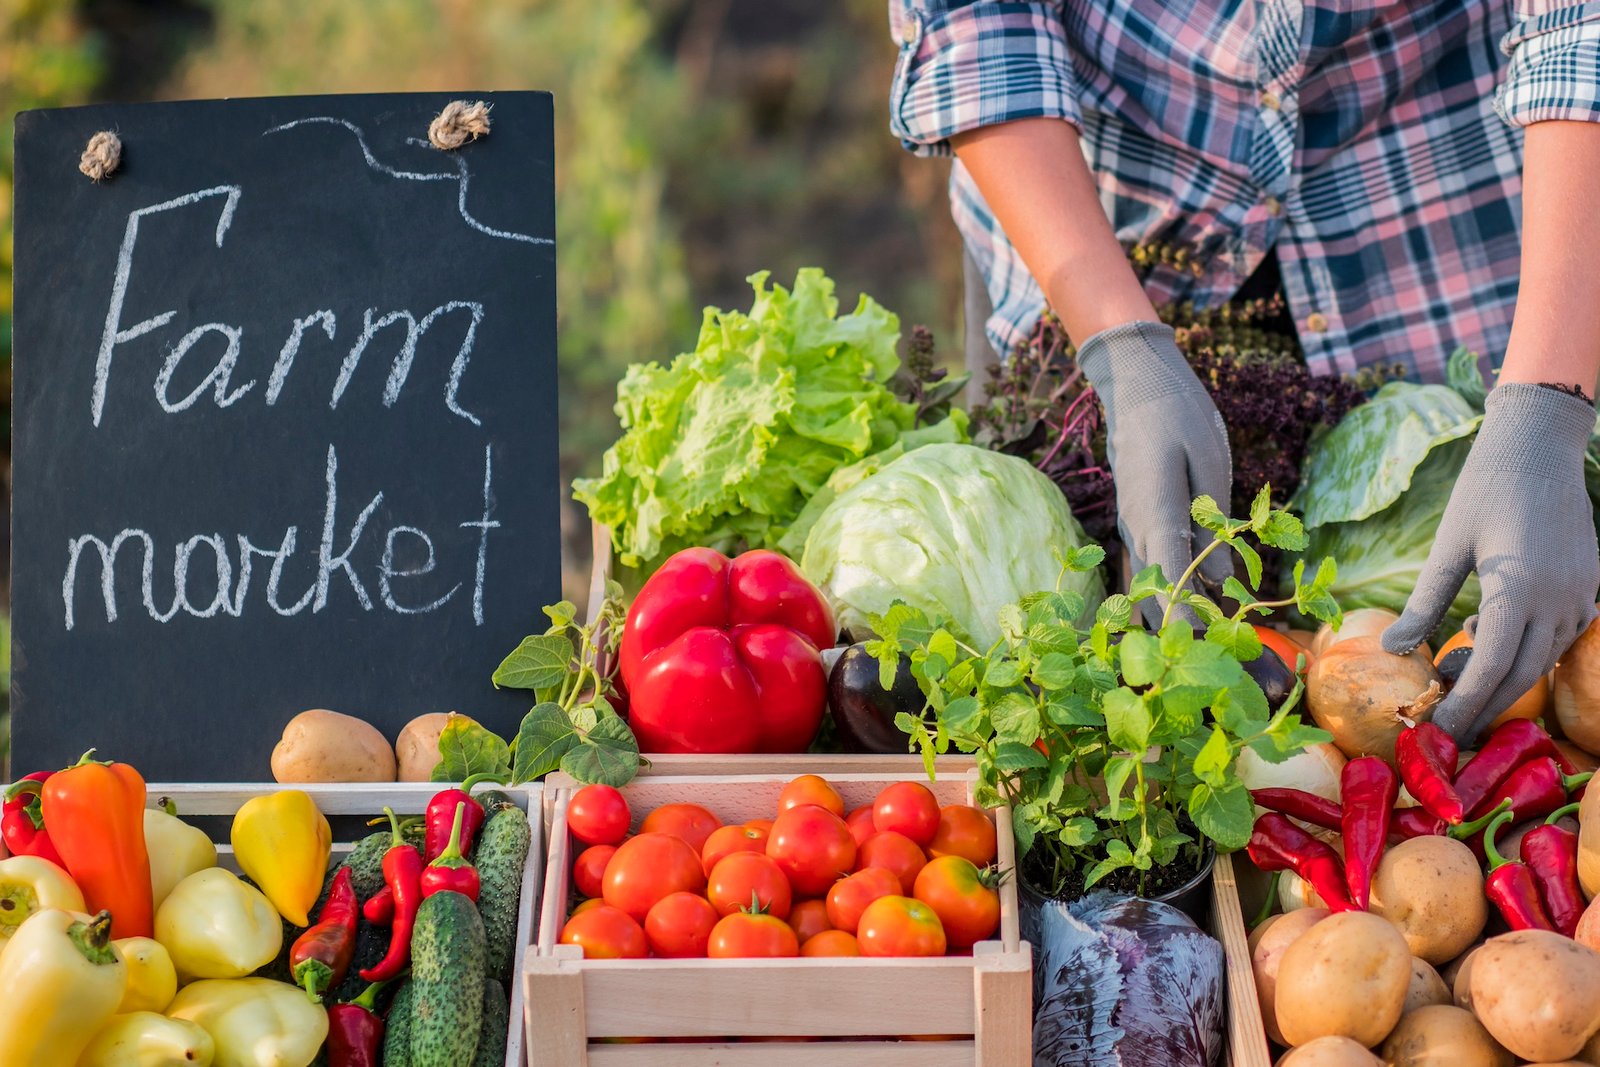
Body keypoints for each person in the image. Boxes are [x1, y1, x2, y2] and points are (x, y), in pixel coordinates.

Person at [888, 1, 1600, 744]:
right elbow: (978, 28)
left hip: (1440, 215)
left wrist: (1545, 406)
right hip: (1100, 210)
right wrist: (1119, 348)